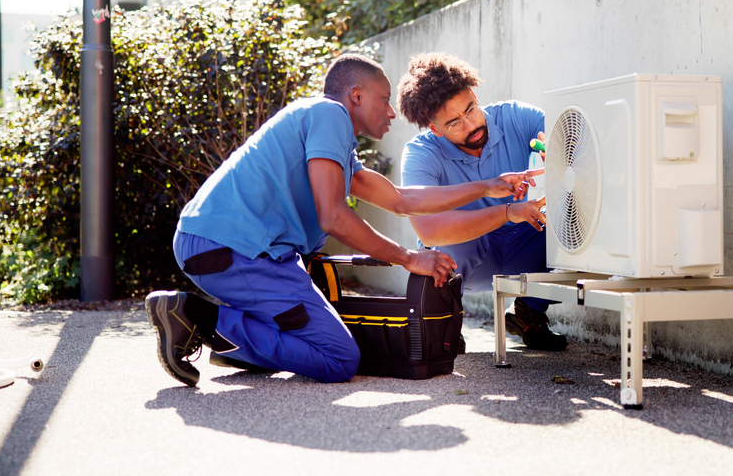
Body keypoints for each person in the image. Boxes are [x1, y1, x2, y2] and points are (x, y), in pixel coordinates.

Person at [146, 54, 539, 387]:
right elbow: (333, 216)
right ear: (356, 95)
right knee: (339, 359)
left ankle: (243, 347)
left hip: (226, 248)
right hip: (231, 249)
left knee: (325, 346)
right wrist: (408, 257)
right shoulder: (328, 115)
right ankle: (197, 316)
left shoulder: (331, 140)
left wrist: (487, 186)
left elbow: (401, 201)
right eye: (384, 100)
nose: (390, 112)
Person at [397, 52, 567, 351]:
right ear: (435, 129)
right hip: (466, 255)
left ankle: (529, 311)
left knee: (573, 224)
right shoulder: (420, 154)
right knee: (438, 246)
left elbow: (565, 131)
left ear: (474, 94)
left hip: (524, 243)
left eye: (471, 109)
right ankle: (443, 321)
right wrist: (506, 212)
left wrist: (556, 145)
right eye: (453, 123)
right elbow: (429, 230)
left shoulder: (514, 115)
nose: (470, 124)